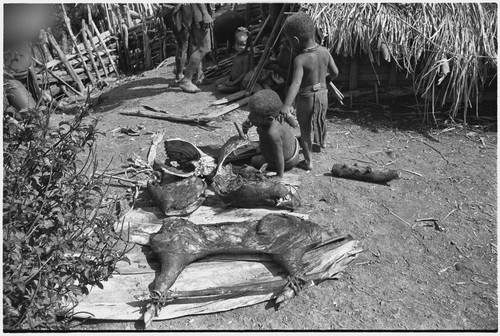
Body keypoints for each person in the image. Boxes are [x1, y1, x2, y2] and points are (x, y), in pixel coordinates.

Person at [280, 12, 339, 171]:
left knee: (305, 128)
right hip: (323, 94)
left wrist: (286, 106)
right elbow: (335, 72)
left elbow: (296, 83)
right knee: (320, 118)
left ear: (295, 40)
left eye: (289, 40)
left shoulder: (300, 59)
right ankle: (322, 142)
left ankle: (308, 161)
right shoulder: (324, 51)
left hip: (306, 97)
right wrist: (326, 81)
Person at [243, 90, 300, 179]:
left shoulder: (273, 134)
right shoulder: (274, 118)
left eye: (253, 116)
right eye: (250, 114)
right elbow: (256, 121)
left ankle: (277, 168)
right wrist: (249, 124)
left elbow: (279, 156)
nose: (249, 117)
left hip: (288, 161)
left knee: (254, 160)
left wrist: (279, 175)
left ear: (269, 119)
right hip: (292, 147)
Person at [164, 4, 213, 93]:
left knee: (195, 44)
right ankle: (186, 80)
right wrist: (205, 13)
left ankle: (198, 77)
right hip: (197, 12)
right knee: (204, 47)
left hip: (190, 13)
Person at [216, 27, 253, 94]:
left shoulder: (245, 57)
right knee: (217, 83)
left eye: (242, 45)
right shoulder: (237, 55)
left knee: (220, 88)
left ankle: (236, 89)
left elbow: (244, 74)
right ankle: (228, 84)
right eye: (237, 44)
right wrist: (228, 80)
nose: (239, 47)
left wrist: (232, 83)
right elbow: (233, 70)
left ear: (247, 45)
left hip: (238, 83)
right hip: (232, 79)